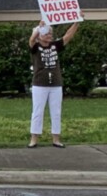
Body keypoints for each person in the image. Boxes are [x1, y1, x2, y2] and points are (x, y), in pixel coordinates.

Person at [29, 20, 80, 148]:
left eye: (50, 34)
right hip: (39, 84)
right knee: (37, 112)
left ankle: (56, 139)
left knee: (56, 112)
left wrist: (77, 22)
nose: (49, 36)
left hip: (56, 84)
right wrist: (39, 28)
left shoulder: (55, 46)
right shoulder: (36, 47)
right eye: (47, 34)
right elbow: (31, 39)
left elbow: (68, 36)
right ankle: (34, 139)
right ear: (40, 35)